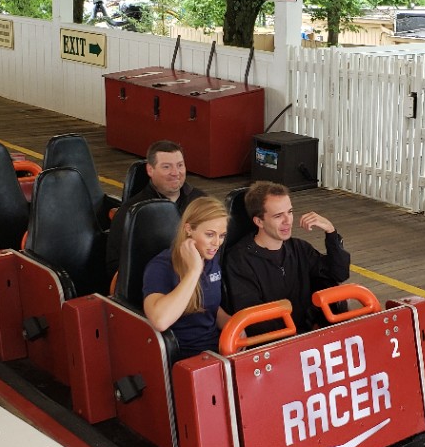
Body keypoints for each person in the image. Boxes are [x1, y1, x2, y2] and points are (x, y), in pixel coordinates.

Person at [223, 181, 350, 334]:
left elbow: (339, 273)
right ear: (259, 221)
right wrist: (297, 337)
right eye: (278, 216)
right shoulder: (239, 261)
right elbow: (255, 320)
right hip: (274, 344)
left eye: (289, 212)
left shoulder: (299, 248)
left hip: (306, 336)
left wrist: (331, 232)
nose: (287, 221)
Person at [103, 140, 208, 284]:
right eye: (166, 167)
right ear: (150, 170)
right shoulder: (131, 212)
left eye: (180, 165)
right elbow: (115, 266)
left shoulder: (201, 201)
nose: (175, 173)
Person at [141, 197, 230, 362]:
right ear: (189, 229)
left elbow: (210, 307)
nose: (217, 243)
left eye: (222, 235)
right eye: (210, 234)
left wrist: (233, 327)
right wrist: (194, 271)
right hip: (183, 358)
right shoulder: (161, 266)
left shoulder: (212, 259)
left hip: (216, 351)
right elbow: (160, 320)